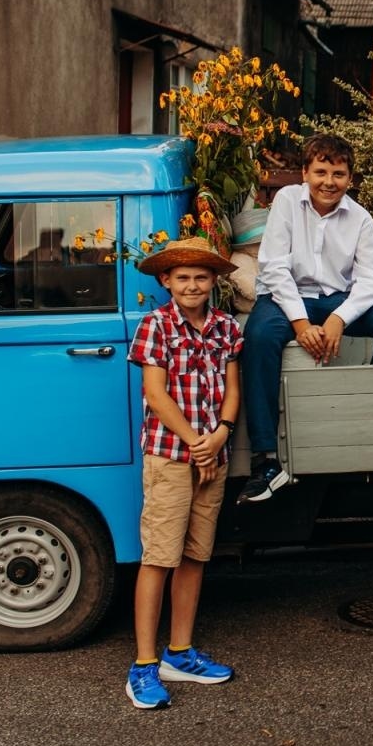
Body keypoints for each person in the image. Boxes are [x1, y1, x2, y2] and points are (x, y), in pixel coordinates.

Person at [240, 134, 373, 504]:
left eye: (338, 174)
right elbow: (273, 268)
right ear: (305, 173)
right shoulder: (287, 202)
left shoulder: (360, 218)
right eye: (320, 171)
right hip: (285, 296)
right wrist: (300, 324)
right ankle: (266, 459)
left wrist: (338, 319)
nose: (328, 181)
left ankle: (369, 416)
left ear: (350, 179)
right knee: (258, 335)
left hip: (337, 300)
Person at [125, 237, 244, 710]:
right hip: (171, 456)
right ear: (165, 282)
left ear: (214, 281)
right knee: (159, 556)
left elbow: (232, 390)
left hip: (213, 454)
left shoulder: (225, 328)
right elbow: (156, 394)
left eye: (201, 276)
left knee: (195, 554)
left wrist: (221, 433)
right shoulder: (155, 326)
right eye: (182, 278)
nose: (192, 285)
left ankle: (180, 651)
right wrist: (197, 443)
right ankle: (143, 665)